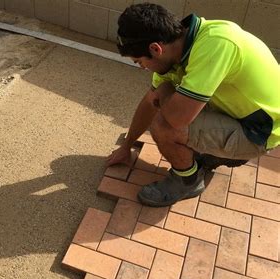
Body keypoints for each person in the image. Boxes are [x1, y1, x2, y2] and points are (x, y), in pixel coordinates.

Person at [106, 3, 279, 207]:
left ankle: (187, 181)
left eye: (139, 62)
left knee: (165, 125)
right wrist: (127, 146)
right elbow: (149, 103)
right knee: (168, 100)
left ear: (155, 48)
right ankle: (211, 155)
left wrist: (164, 93)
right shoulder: (181, 47)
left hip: (258, 133)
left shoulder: (216, 44)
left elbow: (176, 120)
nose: (143, 68)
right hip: (240, 114)